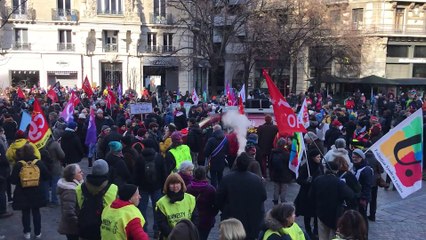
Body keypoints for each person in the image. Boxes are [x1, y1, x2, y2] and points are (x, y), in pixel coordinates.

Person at [216, 152, 267, 240]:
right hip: (251, 219)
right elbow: (263, 196)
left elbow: (219, 199)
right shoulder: (257, 180)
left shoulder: (227, 179)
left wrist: (225, 208)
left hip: (231, 217)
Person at [10, 143, 50, 239]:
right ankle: (38, 232)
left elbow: (13, 180)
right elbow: (47, 176)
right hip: (37, 191)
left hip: (23, 192)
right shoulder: (38, 163)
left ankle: (27, 232)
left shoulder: (19, 164)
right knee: (36, 212)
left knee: (25, 213)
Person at [310, 161, 355, 240]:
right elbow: (350, 195)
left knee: (323, 236)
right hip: (335, 214)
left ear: (326, 169)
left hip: (321, 212)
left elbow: (310, 195)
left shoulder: (318, 179)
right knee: (333, 236)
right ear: (337, 170)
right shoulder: (339, 182)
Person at [76, 159, 118, 240]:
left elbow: (77, 208)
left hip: (84, 227)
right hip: (104, 227)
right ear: (107, 171)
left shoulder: (79, 188)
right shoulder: (113, 188)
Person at [133, 140, 167, 238]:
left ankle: (143, 229)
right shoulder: (159, 157)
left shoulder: (139, 158)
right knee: (157, 208)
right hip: (157, 186)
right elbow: (164, 172)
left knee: (142, 208)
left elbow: (136, 174)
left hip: (143, 187)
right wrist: (164, 185)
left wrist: (136, 186)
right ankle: (157, 230)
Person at [155, 173, 198, 239]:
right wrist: (175, 236)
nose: (175, 186)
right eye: (172, 184)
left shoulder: (190, 199)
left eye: (177, 183)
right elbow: (162, 224)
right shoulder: (161, 203)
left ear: (181, 184)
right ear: (168, 186)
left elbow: (195, 219)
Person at [294, 149, 324, 238]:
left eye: (320, 157)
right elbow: (299, 180)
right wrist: (306, 181)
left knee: (316, 213)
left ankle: (316, 230)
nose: (319, 158)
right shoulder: (305, 167)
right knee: (307, 213)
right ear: (312, 158)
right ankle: (308, 230)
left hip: (317, 193)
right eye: (318, 157)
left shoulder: (320, 166)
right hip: (306, 194)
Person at [187, 166, 218, 240]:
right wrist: (212, 215)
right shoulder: (211, 189)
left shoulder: (188, 188)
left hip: (192, 219)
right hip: (206, 219)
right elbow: (216, 205)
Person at [57, 164, 84, 240]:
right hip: (72, 229)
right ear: (73, 176)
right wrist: (79, 223)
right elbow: (69, 212)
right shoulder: (70, 191)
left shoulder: (76, 186)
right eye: (79, 172)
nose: (82, 173)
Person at [351, 149, 373, 231]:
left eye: (357, 157)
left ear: (362, 158)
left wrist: (363, 198)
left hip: (361, 197)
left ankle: (364, 234)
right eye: (353, 157)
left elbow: (367, 185)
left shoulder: (366, 169)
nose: (355, 159)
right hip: (356, 196)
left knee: (362, 217)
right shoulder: (354, 167)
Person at [269, 138, 293, 204]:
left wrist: (271, 172)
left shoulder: (273, 152)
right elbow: (289, 164)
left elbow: (270, 163)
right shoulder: (287, 154)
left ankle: (275, 200)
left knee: (276, 188)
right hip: (284, 174)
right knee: (283, 188)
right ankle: (283, 200)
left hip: (275, 173)